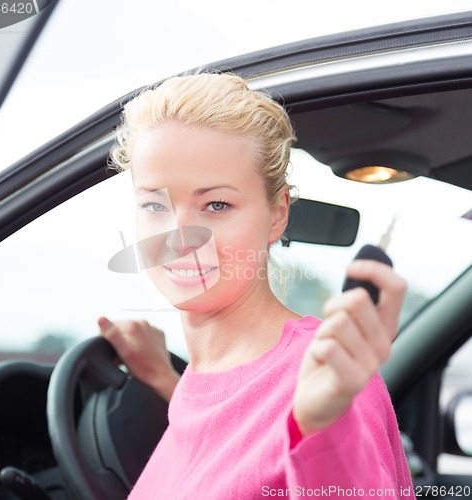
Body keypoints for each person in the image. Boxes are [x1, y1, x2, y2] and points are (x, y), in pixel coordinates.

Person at [98, 72, 415, 499]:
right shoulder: (200, 378)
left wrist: (325, 428)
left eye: (216, 205)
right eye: (154, 204)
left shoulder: (326, 377)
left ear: (278, 214)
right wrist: (161, 377)